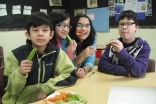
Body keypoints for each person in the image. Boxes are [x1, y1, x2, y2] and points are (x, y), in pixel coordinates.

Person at [2, 12, 77, 104]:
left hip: (45, 100)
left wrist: (46, 88)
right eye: (35, 30)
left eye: (45, 30)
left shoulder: (56, 53)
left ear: (51, 35)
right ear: (28, 35)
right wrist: (20, 74)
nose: (40, 34)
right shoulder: (15, 55)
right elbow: (10, 89)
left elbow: (70, 74)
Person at [98, 10, 150, 78]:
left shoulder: (143, 47)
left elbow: (139, 71)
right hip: (111, 83)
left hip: (133, 85)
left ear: (136, 27)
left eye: (129, 24)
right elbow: (101, 65)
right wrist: (126, 72)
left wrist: (121, 52)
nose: (124, 27)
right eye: (121, 24)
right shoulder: (113, 44)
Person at [69, 14, 97, 78]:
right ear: (73, 27)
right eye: (79, 25)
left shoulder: (92, 38)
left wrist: (84, 69)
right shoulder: (67, 39)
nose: (83, 29)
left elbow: (91, 60)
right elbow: (66, 64)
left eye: (87, 26)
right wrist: (82, 55)